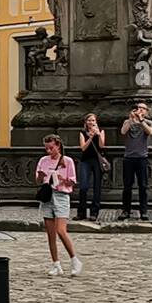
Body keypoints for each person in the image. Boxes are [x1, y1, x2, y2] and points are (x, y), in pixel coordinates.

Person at [36, 134, 82, 276]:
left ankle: (74, 260)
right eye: (46, 148)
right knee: (50, 234)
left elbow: (73, 182)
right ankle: (56, 264)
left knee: (61, 230)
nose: (49, 151)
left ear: (58, 146)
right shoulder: (43, 160)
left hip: (61, 195)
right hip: (48, 196)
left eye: (51, 148)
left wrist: (64, 179)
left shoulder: (67, 161)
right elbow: (38, 181)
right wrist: (41, 176)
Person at [119, 101, 152, 221]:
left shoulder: (148, 122)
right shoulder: (127, 122)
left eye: (142, 108)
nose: (140, 110)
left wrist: (141, 120)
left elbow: (149, 132)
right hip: (129, 158)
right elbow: (123, 132)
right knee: (127, 186)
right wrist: (131, 119)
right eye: (138, 108)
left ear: (146, 111)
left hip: (142, 158)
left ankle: (143, 211)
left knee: (143, 186)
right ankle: (125, 211)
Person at [76, 112, 106, 222]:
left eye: (93, 120)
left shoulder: (101, 131)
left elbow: (102, 145)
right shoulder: (82, 132)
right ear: (86, 122)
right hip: (85, 160)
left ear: (96, 122)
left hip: (97, 161)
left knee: (97, 187)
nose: (91, 122)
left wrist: (97, 135)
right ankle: (81, 212)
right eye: (89, 120)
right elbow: (83, 148)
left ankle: (94, 211)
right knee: (83, 186)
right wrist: (90, 137)